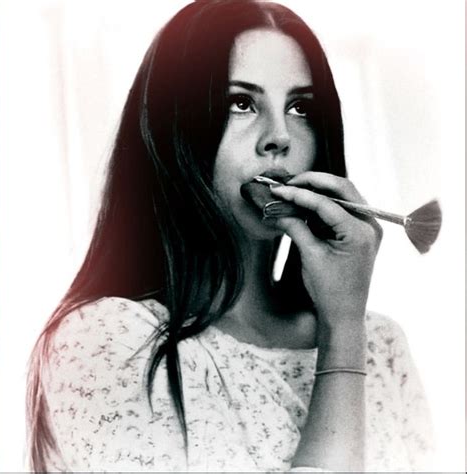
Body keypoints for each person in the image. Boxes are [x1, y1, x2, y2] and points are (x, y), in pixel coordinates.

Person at [26, 0, 434, 471]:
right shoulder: (107, 342)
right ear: (171, 127)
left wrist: (347, 325)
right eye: (241, 103)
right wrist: (341, 334)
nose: (279, 136)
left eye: (300, 107)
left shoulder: (381, 345)